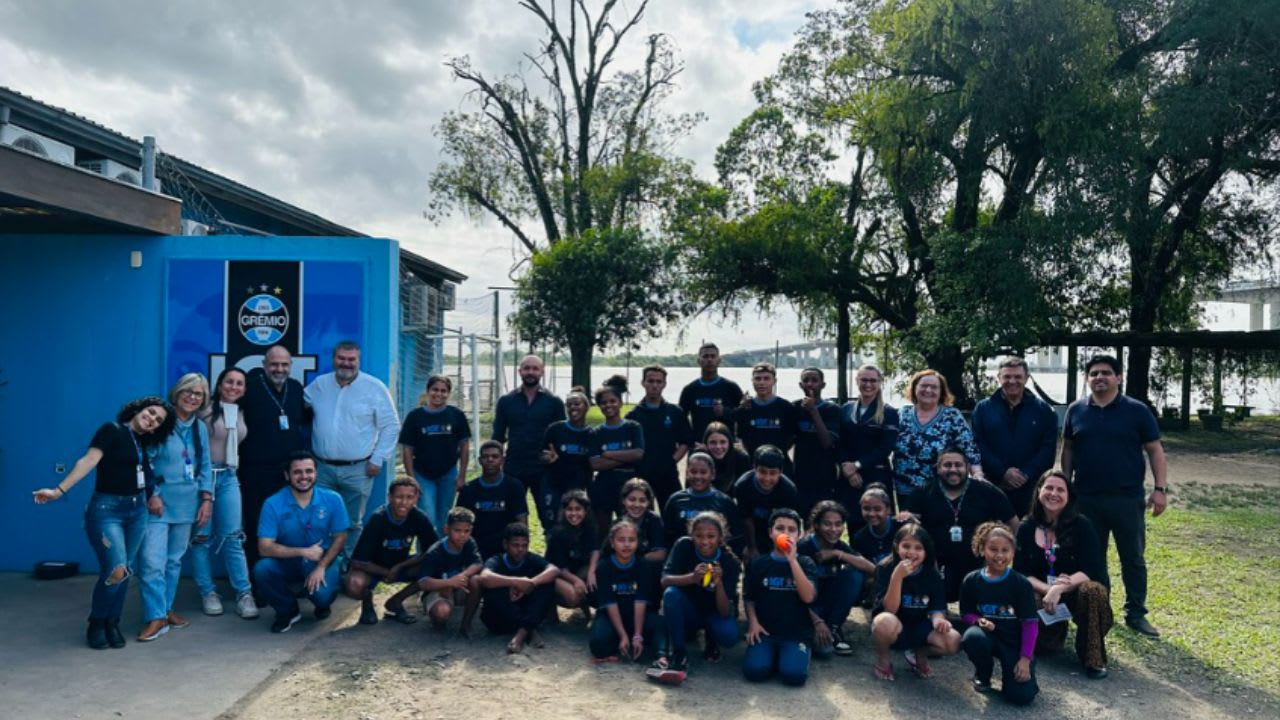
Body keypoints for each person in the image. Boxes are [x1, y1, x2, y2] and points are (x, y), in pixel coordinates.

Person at [33, 396, 174, 650]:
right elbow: (88, 461)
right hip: (107, 511)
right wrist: (58, 491)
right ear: (139, 409)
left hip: (137, 512)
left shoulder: (141, 442)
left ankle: (112, 622)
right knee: (116, 570)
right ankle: (97, 622)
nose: (152, 418)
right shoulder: (112, 430)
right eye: (151, 412)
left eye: (157, 420)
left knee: (125, 571)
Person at [1060, 353, 1168, 638]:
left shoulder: (1137, 410)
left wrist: (1160, 489)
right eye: (1094, 373)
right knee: (1093, 556)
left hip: (1127, 498)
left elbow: (1155, 449)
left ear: (1118, 378)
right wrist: (1066, 486)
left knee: (1132, 557)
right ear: (1087, 378)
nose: (1100, 378)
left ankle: (1136, 612)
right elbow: (1068, 449)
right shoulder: (1076, 410)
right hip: (1087, 498)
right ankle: (1099, 605)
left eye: (1106, 373)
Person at [305, 341, 400, 558]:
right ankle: (318, 566)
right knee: (318, 520)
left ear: (358, 360)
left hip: (358, 470)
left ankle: (345, 568)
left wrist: (378, 458)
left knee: (351, 523)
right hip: (322, 469)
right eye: (341, 358)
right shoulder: (320, 385)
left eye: (351, 359)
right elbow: (299, 405)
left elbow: (392, 425)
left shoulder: (374, 387)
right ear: (333, 359)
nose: (346, 363)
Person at [137, 373, 214, 642]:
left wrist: (207, 500)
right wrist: (152, 494)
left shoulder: (199, 428)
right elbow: (143, 461)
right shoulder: (161, 421)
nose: (193, 397)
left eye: (199, 394)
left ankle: (165, 610)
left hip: (187, 504)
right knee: (151, 562)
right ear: (177, 392)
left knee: (173, 562)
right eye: (188, 391)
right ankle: (154, 617)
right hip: (157, 505)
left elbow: (205, 465)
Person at [1014, 470, 1113, 678]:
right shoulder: (1026, 526)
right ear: (1039, 491)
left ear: (1069, 496)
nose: (1053, 493)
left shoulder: (1082, 525)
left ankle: (1093, 658)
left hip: (1077, 592)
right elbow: (1020, 571)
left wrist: (1060, 588)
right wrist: (1048, 590)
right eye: (1049, 487)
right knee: (1043, 643)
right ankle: (1052, 635)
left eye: (1060, 490)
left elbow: (1092, 569)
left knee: (1093, 591)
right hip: (1044, 594)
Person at [901, 448, 1018, 602]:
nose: (953, 469)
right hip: (937, 564)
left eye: (958, 465)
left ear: (967, 467)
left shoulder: (987, 491)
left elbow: (1013, 522)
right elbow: (911, 529)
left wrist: (1001, 553)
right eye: (947, 465)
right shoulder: (923, 492)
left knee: (977, 601)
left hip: (978, 563)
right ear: (938, 467)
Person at [254, 451, 349, 634]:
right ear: (287, 475)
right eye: (297, 472)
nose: (304, 477)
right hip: (288, 561)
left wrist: (321, 566)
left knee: (322, 596)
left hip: (321, 560)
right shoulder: (273, 503)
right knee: (262, 569)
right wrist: (302, 552)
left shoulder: (333, 499)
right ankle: (288, 610)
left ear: (316, 473)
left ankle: (321, 602)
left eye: (309, 471)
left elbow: (341, 537)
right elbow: (264, 547)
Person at [192, 367, 259, 620]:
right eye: (229, 382)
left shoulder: (241, 411)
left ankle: (244, 594)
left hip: (230, 475)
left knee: (232, 536)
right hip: (205, 475)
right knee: (201, 538)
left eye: (239, 384)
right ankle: (207, 592)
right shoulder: (205, 409)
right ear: (219, 385)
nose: (234, 387)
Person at [648, 511, 742, 684]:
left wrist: (719, 583)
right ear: (692, 536)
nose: (705, 541)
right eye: (699, 536)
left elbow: (724, 611)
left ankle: (711, 640)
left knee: (730, 637)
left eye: (711, 536)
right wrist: (692, 578)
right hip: (689, 609)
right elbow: (665, 581)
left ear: (721, 538)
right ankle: (679, 653)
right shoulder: (684, 546)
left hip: (714, 613)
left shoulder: (730, 562)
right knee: (671, 595)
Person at [238, 345, 307, 580]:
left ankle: (289, 578)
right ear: (265, 365)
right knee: (257, 526)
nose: (280, 369)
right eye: (274, 364)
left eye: (284, 364)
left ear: (290, 366)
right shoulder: (249, 389)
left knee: (289, 527)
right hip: (256, 472)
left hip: (290, 475)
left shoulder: (296, 389)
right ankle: (258, 582)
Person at [960, 522, 1040, 705]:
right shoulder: (971, 580)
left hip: (1014, 643)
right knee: (972, 637)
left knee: (1021, 697)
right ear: (982, 549)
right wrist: (977, 620)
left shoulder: (1021, 584)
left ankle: (1015, 674)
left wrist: (1025, 659)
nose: (999, 555)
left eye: (1005, 550)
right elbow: (965, 613)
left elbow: (1030, 623)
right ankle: (983, 672)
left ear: (1013, 552)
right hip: (987, 637)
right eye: (993, 549)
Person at [869, 523, 960, 681]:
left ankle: (920, 654)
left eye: (918, 548)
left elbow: (937, 608)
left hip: (919, 627)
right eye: (906, 546)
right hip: (894, 627)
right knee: (883, 621)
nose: (911, 552)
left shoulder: (931, 573)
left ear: (926, 551)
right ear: (897, 547)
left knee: (953, 640)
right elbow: (889, 609)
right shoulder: (885, 568)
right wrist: (897, 577)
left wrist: (939, 621)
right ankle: (883, 659)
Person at [345, 477, 440, 626]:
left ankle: (396, 601)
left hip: (400, 565)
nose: (404, 502)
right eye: (399, 497)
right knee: (354, 584)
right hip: (373, 567)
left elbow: (434, 551)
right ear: (389, 497)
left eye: (409, 497)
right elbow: (358, 561)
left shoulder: (419, 517)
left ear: (416, 498)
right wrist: (385, 572)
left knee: (433, 568)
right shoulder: (378, 518)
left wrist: (399, 567)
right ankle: (368, 602)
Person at [971, 358, 1058, 516]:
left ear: (1026, 378)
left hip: (1030, 488)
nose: (1012, 381)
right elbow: (976, 444)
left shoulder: (1044, 411)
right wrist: (1002, 472)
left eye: (1018, 377)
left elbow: (1048, 449)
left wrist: (1025, 474)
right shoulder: (983, 409)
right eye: (1007, 377)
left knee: (1028, 536)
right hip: (993, 485)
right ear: (999, 378)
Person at [742, 509, 819, 687]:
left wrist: (792, 561)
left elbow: (808, 597)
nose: (785, 533)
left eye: (792, 529)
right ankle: (770, 656)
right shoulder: (759, 563)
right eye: (780, 528)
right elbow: (749, 598)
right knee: (754, 672)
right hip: (766, 632)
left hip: (796, 633)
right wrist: (753, 623)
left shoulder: (806, 563)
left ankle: (791, 656)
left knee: (794, 677)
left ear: (799, 535)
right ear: (771, 533)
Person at [462, 523, 559, 653]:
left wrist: (531, 583)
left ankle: (522, 633)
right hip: (499, 619)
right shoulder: (497, 560)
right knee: (492, 586)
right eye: (515, 545)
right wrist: (515, 582)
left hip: (525, 612)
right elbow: (485, 577)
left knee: (547, 584)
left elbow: (554, 570)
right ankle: (529, 630)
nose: (520, 549)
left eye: (524, 545)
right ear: (505, 545)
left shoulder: (531, 559)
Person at [493, 354, 566, 526]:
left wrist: (556, 458)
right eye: (526, 368)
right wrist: (495, 462)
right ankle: (513, 552)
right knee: (511, 518)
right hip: (514, 467)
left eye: (535, 368)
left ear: (542, 372)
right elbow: (498, 436)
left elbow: (561, 437)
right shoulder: (506, 401)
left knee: (550, 517)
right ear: (519, 372)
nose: (530, 372)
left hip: (543, 469)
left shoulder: (554, 402)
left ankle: (553, 552)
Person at [381, 507, 483, 630]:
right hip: (438, 589)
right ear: (446, 529)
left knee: (476, 581)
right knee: (441, 613)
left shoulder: (469, 542)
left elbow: (478, 563)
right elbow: (423, 582)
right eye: (457, 530)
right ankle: (430, 610)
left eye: (466, 531)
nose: (462, 535)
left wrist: (461, 577)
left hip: (458, 586)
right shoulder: (435, 552)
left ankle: (466, 624)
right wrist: (448, 583)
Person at [800, 501, 874, 658]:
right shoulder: (803, 547)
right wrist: (816, 621)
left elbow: (872, 568)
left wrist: (837, 554)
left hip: (829, 606)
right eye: (827, 524)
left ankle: (834, 627)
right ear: (816, 525)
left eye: (838, 524)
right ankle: (811, 631)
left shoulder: (840, 546)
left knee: (854, 574)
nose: (834, 530)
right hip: (805, 608)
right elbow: (792, 592)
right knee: (824, 652)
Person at [893, 369, 981, 501]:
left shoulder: (952, 416)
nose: (928, 390)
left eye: (934, 387)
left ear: (941, 392)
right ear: (914, 388)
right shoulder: (902, 414)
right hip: (904, 489)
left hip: (939, 489)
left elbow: (969, 448)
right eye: (923, 386)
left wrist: (977, 474)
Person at [399, 375, 471, 532]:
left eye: (444, 391)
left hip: (448, 474)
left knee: (444, 518)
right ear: (427, 391)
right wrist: (412, 479)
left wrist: (462, 476)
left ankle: (441, 554)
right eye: (435, 390)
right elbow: (407, 449)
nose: (439, 394)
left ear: (449, 394)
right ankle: (424, 554)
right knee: (427, 517)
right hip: (423, 475)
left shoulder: (456, 415)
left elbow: (464, 445)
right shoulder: (415, 416)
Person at [589, 519, 662, 661]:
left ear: (637, 542)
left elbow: (640, 601)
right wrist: (622, 635)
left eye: (631, 540)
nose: (627, 544)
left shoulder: (644, 565)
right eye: (621, 540)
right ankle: (623, 640)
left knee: (661, 625)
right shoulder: (604, 567)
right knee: (597, 644)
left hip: (637, 615)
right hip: (613, 616)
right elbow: (610, 603)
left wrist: (637, 635)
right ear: (612, 542)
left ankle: (661, 656)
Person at [838, 364, 900, 524]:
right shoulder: (846, 409)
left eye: (873, 380)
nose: (868, 384)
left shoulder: (889, 412)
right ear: (857, 381)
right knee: (853, 521)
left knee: (879, 523)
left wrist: (857, 465)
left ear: (880, 383)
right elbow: (840, 441)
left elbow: (885, 448)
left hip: (876, 475)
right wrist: (847, 467)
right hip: (848, 477)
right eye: (864, 380)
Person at [626, 365, 693, 510]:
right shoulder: (633, 416)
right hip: (641, 474)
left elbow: (685, 441)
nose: (654, 385)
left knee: (673, 514)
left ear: (664, 384)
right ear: (643, 383)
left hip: (667, 474)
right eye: (650, 381)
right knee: (642, 516)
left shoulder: (675, 412)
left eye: (658, 382)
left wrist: (671, 461)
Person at [456, 440, 529, 560]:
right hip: (477, 550)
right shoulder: (469, 489)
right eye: (485, 457)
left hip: (506, 550)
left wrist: (520, 549)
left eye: (495, 456)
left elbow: (522, 520)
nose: (490, 460)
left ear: (502, 460)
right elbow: (459, 523)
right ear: (479, 461)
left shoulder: (514, 486)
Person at [587, 381, 644, 530]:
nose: (608, 405)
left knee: (629, 527)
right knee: (602, 529)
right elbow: (595, 464)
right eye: (603, 403)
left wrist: (609, 454)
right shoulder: (596, 433)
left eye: (612, 401)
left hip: (629, 483)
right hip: (603, 485)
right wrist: (625, 457)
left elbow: (638, 454)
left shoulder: (633, 427)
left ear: (620, 403)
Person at [660, 452, 743, 553]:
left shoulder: (724, 502)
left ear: (712, 475)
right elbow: (667, 536)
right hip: (683, 560)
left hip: (715, 560)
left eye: (703, 472)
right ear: (687, 473)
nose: (698, 476)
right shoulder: (675, 500)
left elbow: (736, 538)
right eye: (693, 472)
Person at [731, 445, 799, 561]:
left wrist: (779, 548)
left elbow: (788, 522)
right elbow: (746, 518)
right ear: (754, 468)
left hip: (777, 529)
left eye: (772, 473)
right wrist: (751, 547)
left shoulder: (788, 490)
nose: (767, 478)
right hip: (750, 529)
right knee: (750, 558)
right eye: (763, 472)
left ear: (781, 472)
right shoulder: (742, 486)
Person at [791, 368, 841, 518]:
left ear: (822, 384)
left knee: (823, 517)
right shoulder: (795, 407)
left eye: (814, 380)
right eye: (806, 381)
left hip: (824, 474)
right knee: (804, 517)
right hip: (801, 473)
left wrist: (813, 411)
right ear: (801, 385)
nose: (810, 384)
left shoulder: (831, 409)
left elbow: (827, 442)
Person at [540, 388, 594, 525]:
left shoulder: (592, 434)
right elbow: (542, 454)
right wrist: (547, 458)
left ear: (586, 407)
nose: (572, 408)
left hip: (578, 487)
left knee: (576, 524)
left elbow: (593, 462)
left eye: (577, 404)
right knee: (553, 524)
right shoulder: (555, 429)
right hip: (554, 485)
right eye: (569, 405)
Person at [736, 362, 797, 473]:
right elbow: (742, 438)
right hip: (753, 465)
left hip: (780, 465)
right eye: (758, 379)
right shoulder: (745, 408)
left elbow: (792, 437)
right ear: (752, 381)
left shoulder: (786, 407)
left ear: (774, 381)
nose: (762, 383)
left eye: (766, 378)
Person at [678, 342, 744, 441]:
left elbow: (743, 416)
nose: (709, 359)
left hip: (724, 447)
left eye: (713, 356)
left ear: (719, 361)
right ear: (699, 361)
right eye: (705, 356)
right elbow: (681, 420)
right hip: (699, 445)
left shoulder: (731, 387)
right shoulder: (689, 389)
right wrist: (690, 441)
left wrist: (725, 412)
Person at [546, 490, 599, 611]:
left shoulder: (589, 527)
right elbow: (560, 567)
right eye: (570, 509)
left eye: (578, 509)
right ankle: (549, 609)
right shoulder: (557, 534)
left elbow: (595, 550)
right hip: (556, 574)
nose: (574, 513)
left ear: (585, 511)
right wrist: (577, 581)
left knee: (598, 570)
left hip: (576, 569)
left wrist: (591, 572)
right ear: (564, 511)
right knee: (573, 597)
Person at [850, 484, 897, 600]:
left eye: (877, 509)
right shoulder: (860, 537)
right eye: (866, 509)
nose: (871, 514)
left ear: (888, 510)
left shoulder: (901, 528)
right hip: (879, 580)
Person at [700, 421, 751, 494]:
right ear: (706, 443)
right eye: (713, 442)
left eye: (723, 442)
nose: (718, 447)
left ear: (730, 443)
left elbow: (746, 490)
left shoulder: (741, 458)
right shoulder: (700, 458)